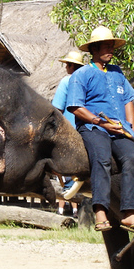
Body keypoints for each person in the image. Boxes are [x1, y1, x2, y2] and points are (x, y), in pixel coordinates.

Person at [66, 26, 134, 235]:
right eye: (106, 47)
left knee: (132, 157)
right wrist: (100, 123)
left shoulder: (117, 73)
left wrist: (132, 128)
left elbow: (129, 99)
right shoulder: (82, 74)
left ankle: (129, 213)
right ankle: (100, 210)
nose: (110, 50)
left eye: (112, 47)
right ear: (94, 49)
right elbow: (75, 107)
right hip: (94, 127)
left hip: (119, 129)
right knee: (101, 159)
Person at [52, 51, 85, 217]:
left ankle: (62, 207)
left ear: (72, 66)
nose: (66, 67)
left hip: (68, 134)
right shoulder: (88, 81)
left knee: (64, 173)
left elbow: (56, 109)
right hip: (87, 132)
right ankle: (75, 210)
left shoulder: (67, 81)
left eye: (67, 64)